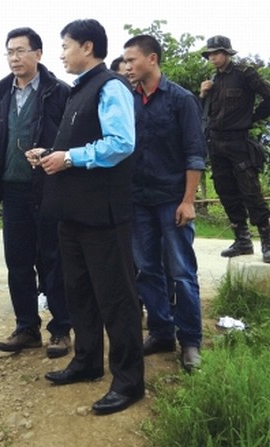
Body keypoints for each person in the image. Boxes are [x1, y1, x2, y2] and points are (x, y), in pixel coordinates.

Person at [29, 19, 144, 415]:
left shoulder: (111, 86)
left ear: (88, 47)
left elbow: (121, 143)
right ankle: (87, 361)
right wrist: (50, 154)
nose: (61, 53)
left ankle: (129, 382)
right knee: (79, 292)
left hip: (103, 215)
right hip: (73, 213)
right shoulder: (79, 90)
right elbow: (76, 147)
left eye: (65, 45)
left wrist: (70, 158)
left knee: (117, 299)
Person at [124, 35, 206, 372]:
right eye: (125, 61)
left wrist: (188, 201)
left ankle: (190, 341)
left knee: (181, 272)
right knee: (146, 269)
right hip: (138, 201)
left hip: (172, 199)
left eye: (132, 60)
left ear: (152, 59)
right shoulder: (128, 100)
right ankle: (160, 332)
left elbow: (195, 154)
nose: (127, 67)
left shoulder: (181, 100)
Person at [0, 27, 73, 359]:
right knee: (18, 260)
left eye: (21, 51)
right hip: (13, 190)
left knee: (53, 259)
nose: (14, 58)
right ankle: (26, 327)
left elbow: (71, 138)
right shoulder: (1, 94)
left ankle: (61, 329)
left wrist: (50, 153)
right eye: (9, 51)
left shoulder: (59, 92)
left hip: (49, 188)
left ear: (38, 54)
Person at [200, 35, 270, 263]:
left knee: (251, 191)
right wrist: (203, 95)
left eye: (216, 53)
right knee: (225, 190)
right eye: (210, 54)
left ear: (227, 53)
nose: (212, 57)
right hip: (216, 142)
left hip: (238, 141)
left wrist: (252, 118)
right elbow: (206, 114)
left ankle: (267, 240)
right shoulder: (213, 79)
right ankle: (242, 239)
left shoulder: (244, 73)